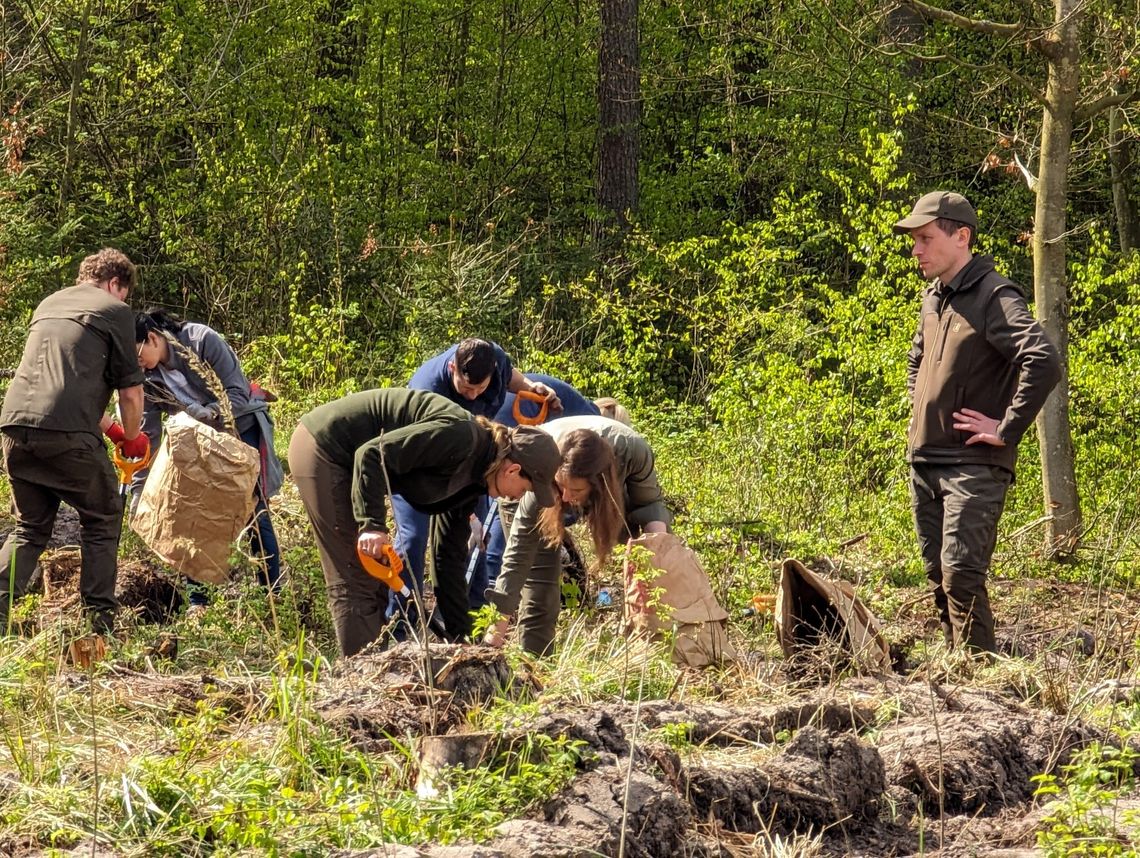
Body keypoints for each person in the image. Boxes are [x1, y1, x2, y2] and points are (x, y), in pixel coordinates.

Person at [894, 190, 1061, 654]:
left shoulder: (994, 295)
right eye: (915, 240)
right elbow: (917, 360)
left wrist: (1004, 428)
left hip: (974, 463)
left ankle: (983, 679)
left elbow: (1043, 360)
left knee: (962, 574)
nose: (917, 250)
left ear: (961, 236)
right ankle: (956, 674)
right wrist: (923, 405)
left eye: (926, 238)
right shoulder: (934, 297)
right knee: (937, 577)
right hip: (925, 459)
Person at [287, 388, 563, 657]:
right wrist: (372, 525)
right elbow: (372, 455)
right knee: (354, 579)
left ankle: (375, 663)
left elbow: (448, 557)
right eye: (525, 489)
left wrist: (461, 639)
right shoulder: (460, 438)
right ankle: (362, 683)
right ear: (513, 469)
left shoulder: (475, 479)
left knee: (375, 578)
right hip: (327, 446)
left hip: (353, 462)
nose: (518, 497)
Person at [0, 248, 148, 635]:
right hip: (67, 434)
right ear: (115, 284)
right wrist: (131, 438)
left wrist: (112, 430)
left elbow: (65, 385)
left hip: (15, 426)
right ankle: (98, 626)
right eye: (124, 293)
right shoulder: (113, 311)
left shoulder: (49, 304)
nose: (124, 302)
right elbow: (131, 395)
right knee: (103, 518)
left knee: (29, 528)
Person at [391, 339, 563, 634]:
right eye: (464, 388)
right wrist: (464, 510)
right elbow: (413, 452)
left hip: (472, 466)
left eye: (479, 389)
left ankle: (468, 621)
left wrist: (531, 385)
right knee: (412, 540)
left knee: (475, 541)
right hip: (417, 469)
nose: (471, 395)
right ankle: (400, 624)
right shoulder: (427, 387)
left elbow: (511, 377)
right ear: (452, 367)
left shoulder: (495, 360)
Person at [125, 310, 284, 610]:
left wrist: (211, 413)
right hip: (194, 446)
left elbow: (238, 393)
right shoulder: (146, 379)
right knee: (187, 514)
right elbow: (148, 436)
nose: (138, 364)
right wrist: (138, 489)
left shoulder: (201, 340)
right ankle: (199, 603)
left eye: (138, 355)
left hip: (240, 430)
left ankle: (273, 595)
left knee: (253, 509)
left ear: (153, 338)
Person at [484, 415, 672, 656]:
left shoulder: (632, 451)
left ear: (598, 484)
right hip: (530, 484)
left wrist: (658, 559)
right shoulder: (537, 480)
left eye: (576, 490)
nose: (565, 498)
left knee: (655, 551)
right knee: (540, 586)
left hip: (612, 479)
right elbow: (517, 559)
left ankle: (660, 646)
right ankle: (535, 665)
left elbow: (649, 507)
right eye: (562, 487)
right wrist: (494, 634)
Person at [466, 375, 601, 608]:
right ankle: (489, 581)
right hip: (513, 421)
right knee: (510, 500)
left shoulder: (575, 409)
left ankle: (488, 582)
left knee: (508, 498)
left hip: (510, 416)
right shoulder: (591, 422)